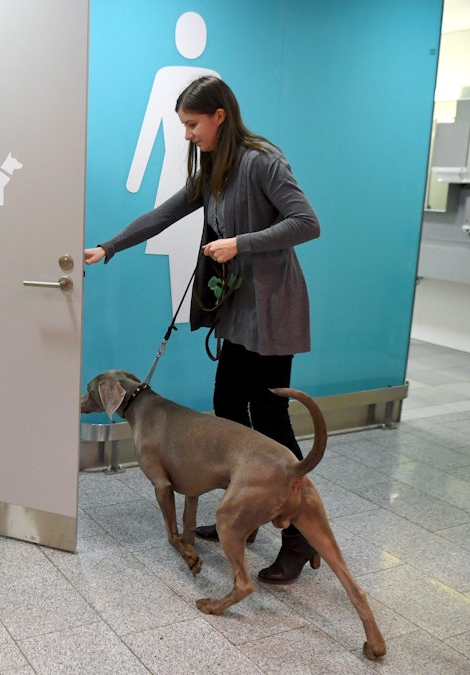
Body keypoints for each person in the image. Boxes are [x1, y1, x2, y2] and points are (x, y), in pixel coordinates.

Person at [84, 76, 321, 585]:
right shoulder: (215, 169)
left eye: (192, 124)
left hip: (273, 309)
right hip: (239, 307)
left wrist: (241, 243)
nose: (188, 134)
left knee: (269, 416)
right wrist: (108, 247)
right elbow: (165, 214)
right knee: (230, 409)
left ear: (219, 116)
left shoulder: (263, 162)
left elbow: (307, 222)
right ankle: (249, 511)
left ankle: (299, 536)